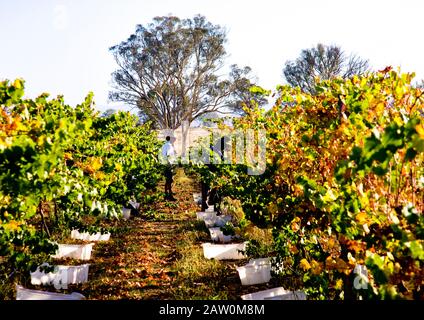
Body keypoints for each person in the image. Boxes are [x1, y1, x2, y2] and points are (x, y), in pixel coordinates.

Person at [161, 135, 176, 201]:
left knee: (168, 180)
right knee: (169, 180)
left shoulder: (164, 145)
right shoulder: (169, 146)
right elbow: (168, 155)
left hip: (165, 164)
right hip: (168, 164)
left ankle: (166, 194)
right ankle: (169, 195)